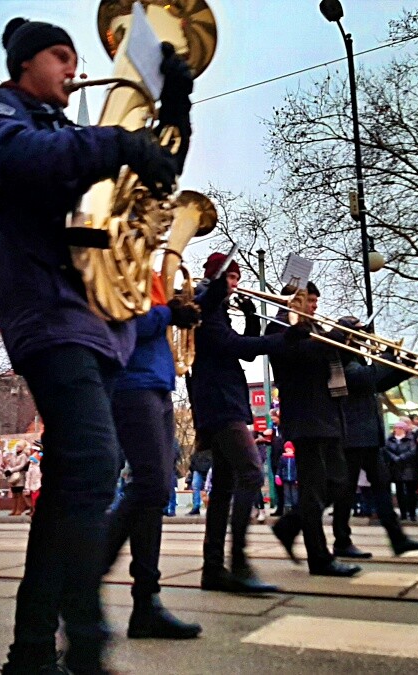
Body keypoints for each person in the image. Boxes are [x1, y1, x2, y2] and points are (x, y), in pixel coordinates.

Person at [0, 15, 193, 673]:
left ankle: (32, 654)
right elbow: (14, 161)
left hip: (95, 328)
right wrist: (118, 141)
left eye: (73, 56)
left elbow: (153, 179)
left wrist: (175, 106)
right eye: (61, 56)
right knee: (95, 463)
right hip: (47, 316)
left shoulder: (71, 133)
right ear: (26, 64)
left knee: (71, 484)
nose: (74, 66)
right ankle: (86, 640)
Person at [103, 273, 202, 640]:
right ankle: (89, 572)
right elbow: (122, 320)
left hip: (157, 383)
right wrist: (167, 314)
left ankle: (146, 604)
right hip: (132, 383)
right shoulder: (115, 262)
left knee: (154, 494)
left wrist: (186, 306)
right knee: (152, 485)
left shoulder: (151, 273)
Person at [190, 253, 289, 593]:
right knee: (250, 473)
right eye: (231, 278)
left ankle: (214, 569)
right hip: (219, 403)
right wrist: (283, 339)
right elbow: (230, 345)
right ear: (218, 278)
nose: (236, 284)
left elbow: (243, 352)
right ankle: (239, 562)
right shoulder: (202, 303)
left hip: (225, 401)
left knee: (224, 488)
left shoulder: (214, 308)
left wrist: (250, 317)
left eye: (237, 278)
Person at [267, 283, 363, 577]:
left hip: (328, 415)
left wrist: (349, 342)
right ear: (293, 300)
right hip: (305, 417)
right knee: (312, 489)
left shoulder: (315, 327)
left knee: (339, 483)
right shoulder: (279, 327)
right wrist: (336, 336)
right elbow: (304, 357)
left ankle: (290, 524)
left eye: (315, 301)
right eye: (309, 300)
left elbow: (332, 361)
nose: (315, 306)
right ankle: (319, 559)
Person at [327, 317, 418, 560]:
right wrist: (390, 358)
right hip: (351, 435)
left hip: (368, 435)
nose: (365, 337)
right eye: (360, 332)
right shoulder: (340, 359)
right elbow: (364, 378)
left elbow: (377, 384)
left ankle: (397, 538)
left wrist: (402, 370)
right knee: (344, 492)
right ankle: (338, 539)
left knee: (381, 486)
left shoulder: (356, 358)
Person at [384, 421, 418, 522]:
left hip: (408, 467)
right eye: (396, 428)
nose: (397, 430)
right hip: (395, 468)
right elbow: (386, 450)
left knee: (410, 491)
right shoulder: (390, 439)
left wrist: (401, 457)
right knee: (400, 492)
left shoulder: (410, 439)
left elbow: (413, 451)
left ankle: (412, 513)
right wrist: (394, 457)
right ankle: (403, 513)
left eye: (400, 428)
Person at [186, 445, 211, 516]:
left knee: (196, 487)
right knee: (196, 486)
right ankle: (196, 507)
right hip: (200, 468)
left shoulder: (200, 445)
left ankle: (196, 507)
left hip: (199, 467)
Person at [275, 442, 298, 513]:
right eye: (286, 449)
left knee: (294, 494)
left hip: (294, 479)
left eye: (289, 449)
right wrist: (278, 476)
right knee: (286, 494)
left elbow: (297, 469)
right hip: (285, 479)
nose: (288, 451)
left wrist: (297, 478)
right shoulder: (283, 458)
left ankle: (295, 508)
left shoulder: (295, 458)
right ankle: (288, 509)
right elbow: (280, 468)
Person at [24, 453, 42, 518]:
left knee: (35, 500)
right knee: (31, 499)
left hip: (37, 486)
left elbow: (39, 477)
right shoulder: (31, 467)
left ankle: (34, 511)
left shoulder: (38, 467)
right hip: (32, 486)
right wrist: (27, 487)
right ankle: (32, 510)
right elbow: (28, 478)